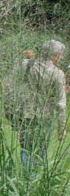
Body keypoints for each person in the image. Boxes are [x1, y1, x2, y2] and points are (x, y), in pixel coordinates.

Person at [17, 40, 67, 169]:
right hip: (45, 118)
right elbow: (61, 104)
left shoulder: (25, 65)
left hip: (26, 115)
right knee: (41, 151)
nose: (61, 58)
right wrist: (61, 128)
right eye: (60, 55)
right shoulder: (58, 74)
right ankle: (35, 181)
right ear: (54, 56)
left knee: (26, 149)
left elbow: (14, 87)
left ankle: (27, 180)